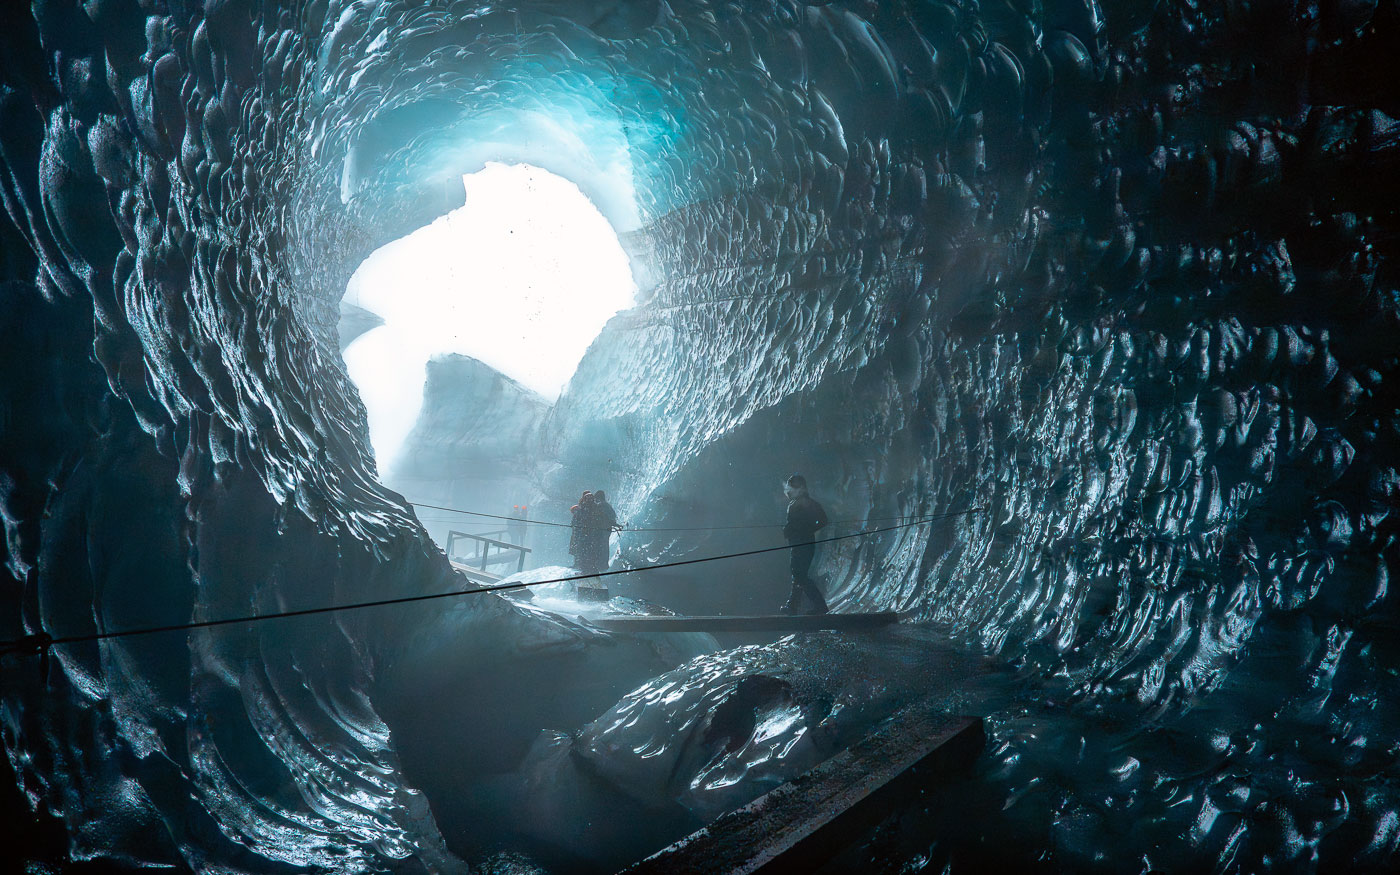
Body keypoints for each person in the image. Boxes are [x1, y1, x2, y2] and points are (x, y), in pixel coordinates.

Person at [781, 474, 829, 614]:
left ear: (801, 488)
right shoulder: (795, 503)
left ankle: (819, 606)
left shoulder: (807, 503)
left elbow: (823, 520)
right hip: (797, 544)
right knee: (797, 574)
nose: (790, 490)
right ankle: (792, 606)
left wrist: (805, 529)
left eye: (793, 487)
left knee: (799, 574)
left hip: (804, 544)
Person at [579, 489, 620, 574]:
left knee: (597, 548)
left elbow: (599, 517)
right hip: (607, 530)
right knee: (604, 547)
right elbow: (612, 517)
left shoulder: (599, 505)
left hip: (599, 531)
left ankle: (596, 566)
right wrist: (615, 524)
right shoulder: (607, 505)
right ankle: (603, 566)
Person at [569, 491, 594, 570]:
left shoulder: (582, 507)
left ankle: (580, 564)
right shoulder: (587, 506)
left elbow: (575, 521)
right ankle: (580, 564)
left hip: (581, 533)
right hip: (582, 532)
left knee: (579, 548)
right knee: (581, 549)